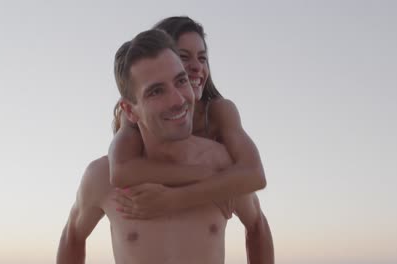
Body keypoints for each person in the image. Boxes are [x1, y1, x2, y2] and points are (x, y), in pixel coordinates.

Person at [57, 29, 268, 264]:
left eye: (181, 81)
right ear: (129, 111)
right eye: (156, 91)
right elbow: (73, 235)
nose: (178, 100)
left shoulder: (222, 168)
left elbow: (257, 224)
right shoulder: (101, 177)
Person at [110, 16, 274, 262]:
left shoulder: (218, 111)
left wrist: (175, 199)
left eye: (203, 57)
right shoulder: (133, 117)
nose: (196, 66)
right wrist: (207, 175)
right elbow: (121, 171)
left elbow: (254, 175)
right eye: (184, 56)